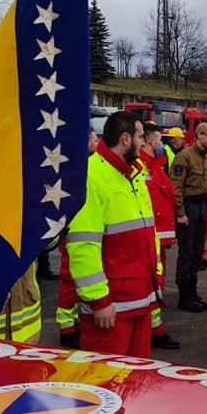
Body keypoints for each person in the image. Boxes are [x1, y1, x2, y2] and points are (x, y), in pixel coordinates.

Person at [66, 112, 161, 356]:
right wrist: (99, 301)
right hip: (111, 307)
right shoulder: (91, 177)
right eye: (140, 137)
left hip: (141, 299)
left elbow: (147, 232)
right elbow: (83, 246)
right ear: (126, 139)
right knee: (107, 383)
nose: (144, 142)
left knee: (137, 380)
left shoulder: (134, 173)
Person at [57, 128, 100, 349]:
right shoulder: (75, 169)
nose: (97, 143)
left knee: (76, 283)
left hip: (75, 228)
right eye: (93, 139)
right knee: (68, 282)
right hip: (72, 230)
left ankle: (72, 323)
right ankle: (66, 329)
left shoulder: (85, 167)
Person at [140, 123, 181, 350]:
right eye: (159, 141)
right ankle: (153, 329)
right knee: (152, 281)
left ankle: (155, 327)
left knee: (157, 280)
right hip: (150, 235)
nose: (161, 145)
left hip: (160, 236)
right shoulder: (141, 168)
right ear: (151, 142)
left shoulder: (155, 166)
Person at [170, 122, 207, 312]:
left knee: (197, 253)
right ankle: (184, 296)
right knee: (187, 253)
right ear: (198, 135)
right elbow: (176, 187)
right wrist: (180, 213)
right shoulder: (184, 157)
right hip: (188, 208)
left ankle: (193, 292)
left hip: (201, 206)